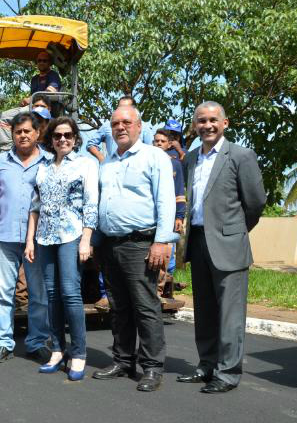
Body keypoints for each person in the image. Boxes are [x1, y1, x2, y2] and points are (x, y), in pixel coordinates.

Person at [178, 102, 266, 393]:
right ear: (195, 126)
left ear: (225, 123)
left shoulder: (241, 156)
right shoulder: (189, 159)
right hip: (198, 242)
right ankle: (206, 365)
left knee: (230, 314)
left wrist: (236, 232)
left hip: (229, 244)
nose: (208, 125)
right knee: (204, 310)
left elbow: (255, 203)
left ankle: (227, 373)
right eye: (201, 121)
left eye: (213, 120)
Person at [91, 105, 176, 392]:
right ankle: (123, 360)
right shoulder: (107, 162)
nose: (120, 127)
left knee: (145, 306)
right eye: (115, 123)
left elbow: (166, 200)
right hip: (110, 245)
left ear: (139, 126)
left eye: (126, 122)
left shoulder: (155, 157)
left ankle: (152, 367)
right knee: (119, 307)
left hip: (140, 244)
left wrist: (162, 241)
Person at [25, 117, 98, 381]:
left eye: (67, 135)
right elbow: (36, 206)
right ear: (51, 139)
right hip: (44, 237)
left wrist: (86, 239)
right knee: (52, 295)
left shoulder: (86, 164)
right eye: (57, 136)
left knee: (70, 293)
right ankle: (57, 349)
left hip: (71, 235)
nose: (63, 140)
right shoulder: (43, 166)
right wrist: (30, 240)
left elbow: (91, 204)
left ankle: (78, 353)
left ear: (75, 138)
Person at [0, 112, 52, 365]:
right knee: (3, 293)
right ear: (12, 134)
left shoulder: (49, 162)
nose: (22, 135)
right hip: (5, 237)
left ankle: (36, 343)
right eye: (18, 131)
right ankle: (2, 344)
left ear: (37, 134)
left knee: (38, 294)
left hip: (39, 239)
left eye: (27, 131)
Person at [0, 50, 61, 151]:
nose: (42, 62)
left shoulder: (53, 75)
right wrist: (25, 101)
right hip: (32, 106)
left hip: (44, 107)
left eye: (45, 60)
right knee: (3, 116)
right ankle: (8, 148)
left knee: (14, 115)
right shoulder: (34, 79)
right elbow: (33, 97)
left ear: (49, 63)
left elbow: (50, 91)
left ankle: (10, 148)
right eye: (39, 60)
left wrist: (30, 99)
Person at [153, 129, 187, 277]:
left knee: (167, 254)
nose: (159, 143)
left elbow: (179, 192)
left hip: (168, 216)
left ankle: (165, 291)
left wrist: (179, 216)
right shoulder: (144, 160)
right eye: (156, 141)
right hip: (148, 217)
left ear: (169, 145)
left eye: (163, 141)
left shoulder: (175, 164)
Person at [86, 96, 155, 163]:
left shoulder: (144, 126)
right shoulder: (108, 125)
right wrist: (103, 160)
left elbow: (151, 150)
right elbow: (91, 144)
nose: (120, 127)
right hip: (113, 169)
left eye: (126, 107)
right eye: (120, 107)